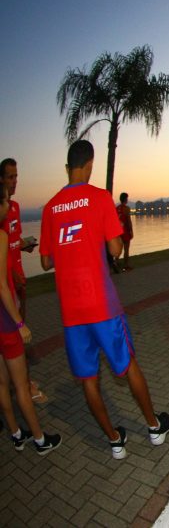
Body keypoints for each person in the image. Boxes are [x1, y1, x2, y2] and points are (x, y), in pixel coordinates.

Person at [39, 140, 169, 460]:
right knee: (127, 365)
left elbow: (45, 261)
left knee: (88, 378)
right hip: (102, 305)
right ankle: (154, 427)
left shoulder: (50, 208)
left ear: (67, 167)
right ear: (90, 165)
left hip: (71, 312)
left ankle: (114, 440)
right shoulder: (99, 198)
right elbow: (115, 248)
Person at [0, 184, 61, 454]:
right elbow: (2, 286)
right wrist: (19, 323)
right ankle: (39, 439)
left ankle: (16, 434)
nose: (8, 206)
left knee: (2, 383)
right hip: (5, 321)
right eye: (5, 201)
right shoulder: (1, 236)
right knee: (21, 384)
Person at [0, 158, 46, 404]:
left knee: (20, 331)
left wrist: (25, 245)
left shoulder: (15, 207)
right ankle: (23, 386)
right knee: (14, 333)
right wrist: (11, 273)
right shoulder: (2, 209)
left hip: (19, 280)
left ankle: (19, 381)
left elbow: (13, 242)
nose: (15, 181)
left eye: (16, 176)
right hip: (8, 282)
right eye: (10, 177)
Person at [115, 192, 134, 272]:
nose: (127, 200)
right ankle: (125, 266)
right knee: (126, 249)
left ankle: (115, 263)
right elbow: (129, 221)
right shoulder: (126, 208)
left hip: (118, 231)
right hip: (125, 231)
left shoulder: (116, 208)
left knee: (119, 249)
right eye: (127, 198)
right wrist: (131, 231)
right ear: (125, 199)